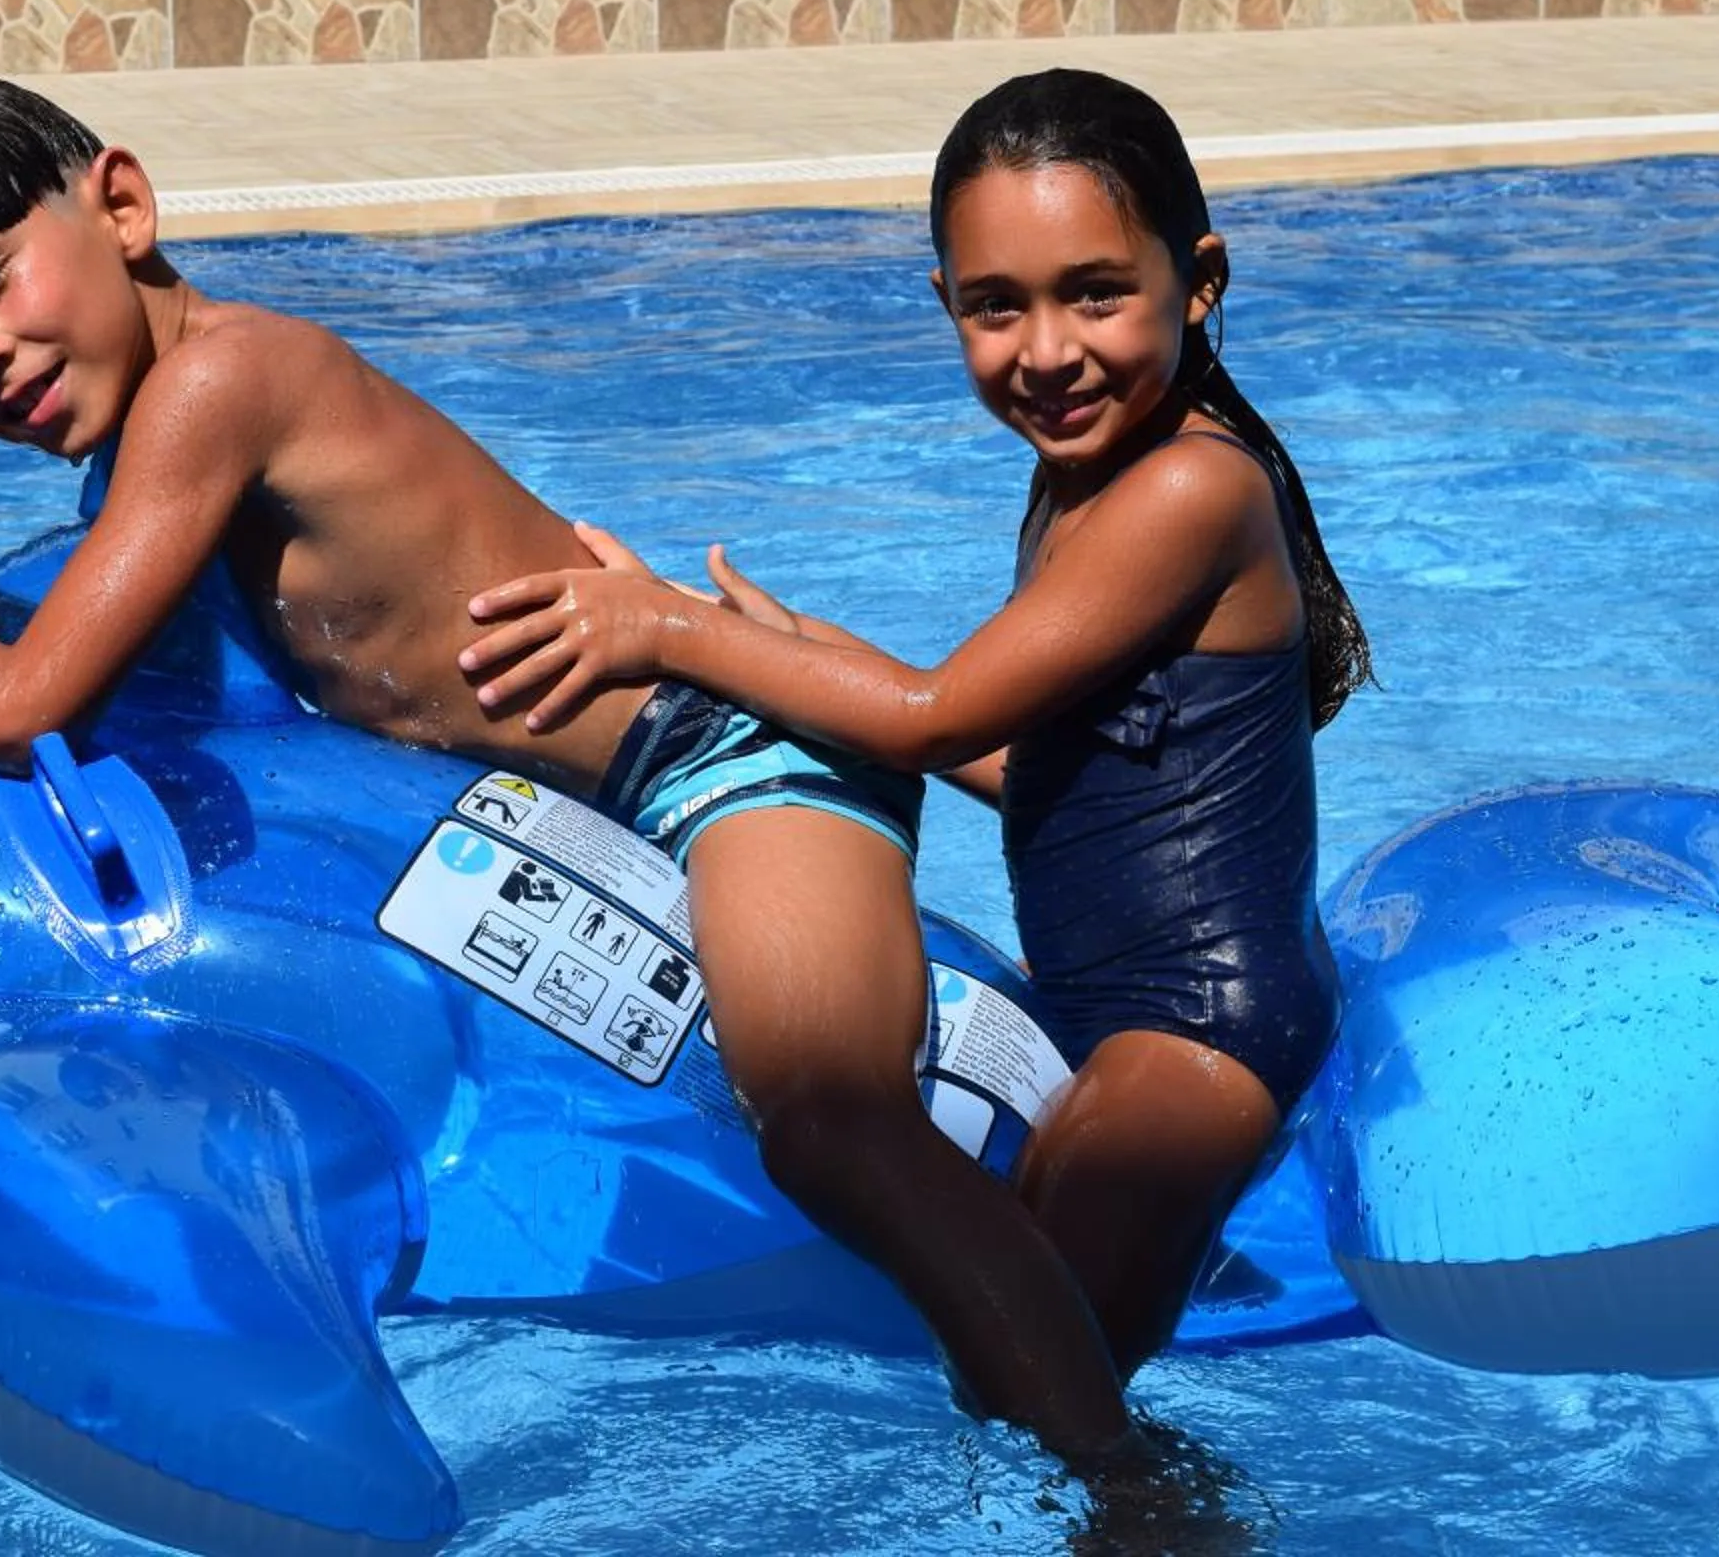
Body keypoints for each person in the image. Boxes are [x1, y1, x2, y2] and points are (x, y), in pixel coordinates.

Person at [0, 75, 1145, 1472]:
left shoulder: (226, 381)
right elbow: (130, 686)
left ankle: (1123, 1480)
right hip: (614, 805)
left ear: (123, 207)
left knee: (827, 1118)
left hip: (732, 753)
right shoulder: (148, 455)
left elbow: (25, 706)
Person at [462, 67, 1371, 1377]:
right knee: (1020, 1368)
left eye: (1095, 293)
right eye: (998, 306)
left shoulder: (1187, 491)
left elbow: (936, 723)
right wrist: (789, 646)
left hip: (1198, 1032)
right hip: (1117, 1009)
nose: (1046, 352)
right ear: (947, 303)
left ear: (1200, 280)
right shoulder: (1085, 475)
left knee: (1055, 1399)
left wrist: (668, 632)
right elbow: (1037, 764)